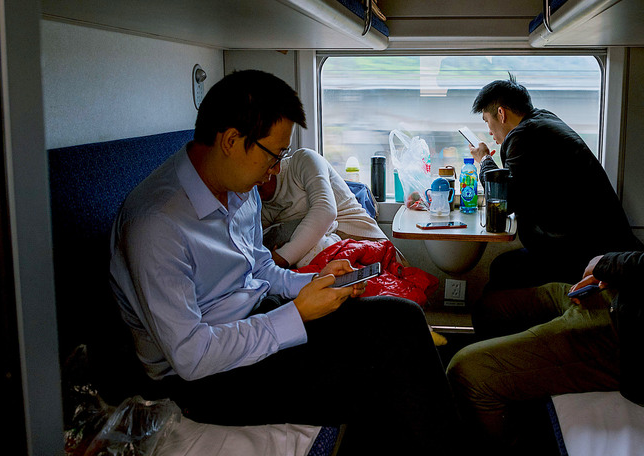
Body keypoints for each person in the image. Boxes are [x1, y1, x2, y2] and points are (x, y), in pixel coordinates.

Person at [109, 70, 462, 456]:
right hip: (204, 380)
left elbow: (259, 269)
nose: (276, 169)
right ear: (231, 141)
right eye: (274, 155)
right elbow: (191, 356)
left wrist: (314, 282)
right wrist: (296, 314)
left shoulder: (239, 189)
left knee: (400, 316)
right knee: (375, 377)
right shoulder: (156, 225)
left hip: (257, 322)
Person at [447, 92, 644, 454]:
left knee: (464, 370)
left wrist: (609, 264)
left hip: (637, 333)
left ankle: (509, 401)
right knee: (489, 309)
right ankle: (518, 389)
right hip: (618, 293)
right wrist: (614, 272)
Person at [469, 74, 642, 288]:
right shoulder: (544, 120)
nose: (489, 131)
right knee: (503, 267)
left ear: (501, 114)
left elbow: (504, 199)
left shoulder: (523, 136)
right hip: (598, 241)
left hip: (581, 251)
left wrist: (484, 160)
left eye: (487, 121)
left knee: (502, 270)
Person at [257, 147, 388, 269]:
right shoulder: (258, 204)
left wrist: (280, 258)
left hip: (362, 239)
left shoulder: (302, 161)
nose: (252, 190)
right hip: (321, 258)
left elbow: (325, 210)